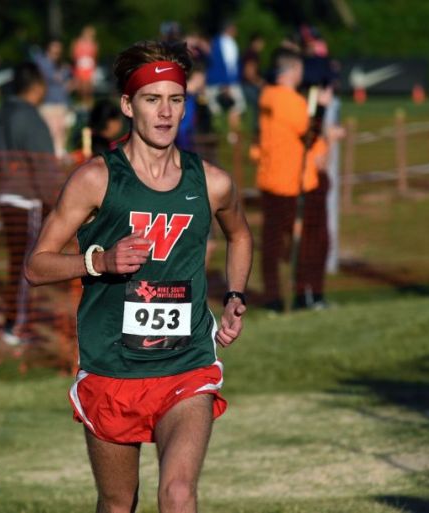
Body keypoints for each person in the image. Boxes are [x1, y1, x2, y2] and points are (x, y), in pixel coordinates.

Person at [24, 39, 252, 512]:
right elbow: (36, 265)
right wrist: (99, 262)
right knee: (117, 503)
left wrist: (235, 296)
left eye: (176, 99)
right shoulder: (95, 179)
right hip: (112, 367)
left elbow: (240, 235)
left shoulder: (212, 182)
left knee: (178, 492)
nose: (166, 112)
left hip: (186, 364)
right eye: (152, 99)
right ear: (128, 105)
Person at [0, 61, 64, 346]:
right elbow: (43, 165)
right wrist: (55, 202)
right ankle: (17, 325)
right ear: (36, 85)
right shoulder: (30, 116)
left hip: (5, 194)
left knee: (16, 262)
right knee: (27, 265)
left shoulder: (3, 111)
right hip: (27, 199)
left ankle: (15, 321)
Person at [256, 48, 331, 312]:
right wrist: (321, 107)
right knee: (310, 240)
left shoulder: (267, 95)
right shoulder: (290, 101)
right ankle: (305, 294)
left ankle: (273, 297)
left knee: (272, 242)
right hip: (292, 180)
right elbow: (310, 133)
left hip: (269, 177)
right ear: (290, 72)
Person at [34, 39, 73, 158]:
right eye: (55, 47)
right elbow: (54, 77)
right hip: (48, 102)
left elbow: (68, 78)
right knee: (52, 131)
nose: (57, 50)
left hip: (62, 101)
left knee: (62, 130)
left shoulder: (60, 64)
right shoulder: (42, 62)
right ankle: (52, 156)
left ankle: (59, 154)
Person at [205, 21, 245, 133]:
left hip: (215, 82)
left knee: (217, 110)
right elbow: (229, 65)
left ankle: (223, 135)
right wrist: (227, 83)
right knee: (237, 107)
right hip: (225, 83)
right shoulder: (227, 42)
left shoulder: (216, 41)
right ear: (229, 28)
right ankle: (231, 136)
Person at [71, 25, 98, 107]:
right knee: (81, 87)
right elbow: (74, 56)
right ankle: (81, 103)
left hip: (89, 68)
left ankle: (88, 104)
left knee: (89, 88)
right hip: (80, 67)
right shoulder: (78, 43)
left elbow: (94, 57)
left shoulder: (94, 44)